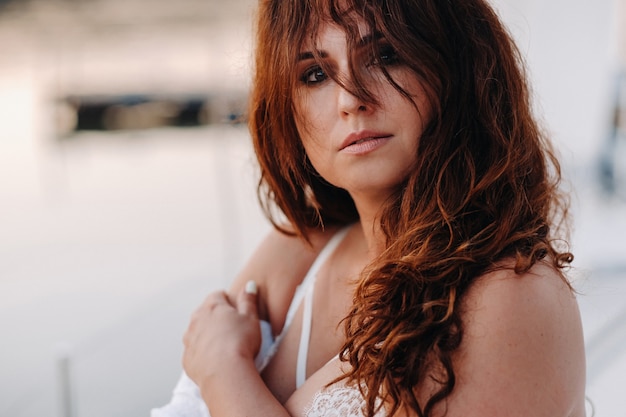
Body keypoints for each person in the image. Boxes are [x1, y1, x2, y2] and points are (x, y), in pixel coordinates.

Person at [161, 0, 588, 416]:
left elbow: (215, 368)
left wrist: (223, 372)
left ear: (459, 64)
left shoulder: (512, 294)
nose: (351, 99)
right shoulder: (298, 251)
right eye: (314, 74)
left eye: (385, 55)